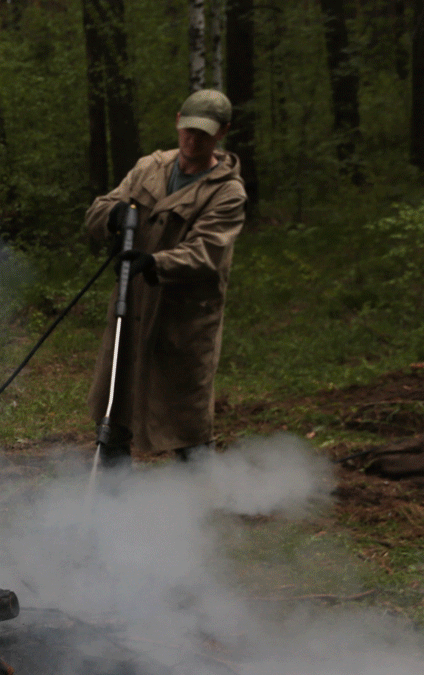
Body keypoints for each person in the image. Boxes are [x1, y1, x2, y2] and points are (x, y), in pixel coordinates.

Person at [85, 89, 246, 464]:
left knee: (185, 415)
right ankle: (111, 501)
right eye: (188, 129)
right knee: (115, 402)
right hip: (132, 305)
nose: (193, 139)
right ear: (177, 121)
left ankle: (197, 507)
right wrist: (112, 217)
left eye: (204, 133)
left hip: (184, 318)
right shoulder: (150, 168)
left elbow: (206, 252)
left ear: (222, 132)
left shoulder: (227, 192)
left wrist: (154, 263)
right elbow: (102, 207)